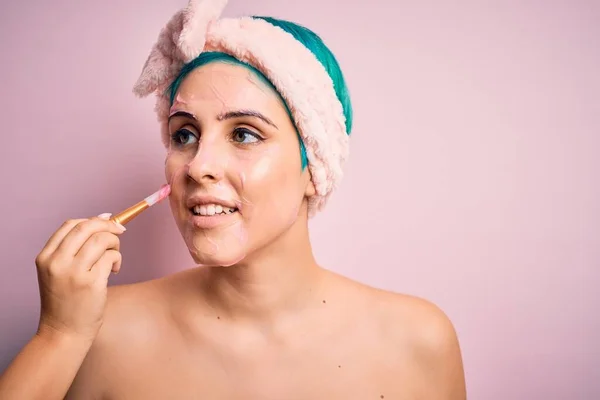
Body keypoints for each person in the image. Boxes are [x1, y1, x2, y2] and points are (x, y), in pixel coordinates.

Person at [0, 0, 466, 398]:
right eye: (184, 134)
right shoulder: (97, 333)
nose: (198, 165)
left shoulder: (419, 342)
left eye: (243, 134)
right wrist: (58, 336)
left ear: (315, 168)